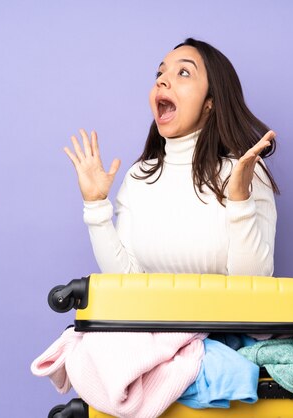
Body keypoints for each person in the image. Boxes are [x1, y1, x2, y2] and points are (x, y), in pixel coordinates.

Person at [64, 38, 279, 276]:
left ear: (211, 102)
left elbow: (254, 285)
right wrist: (95, 207)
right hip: (148, 314)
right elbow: (126, 281)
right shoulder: (138, 178)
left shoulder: (245, 173)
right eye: (160, 72)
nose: (161, 80)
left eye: (184, 72)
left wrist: (240, 200)